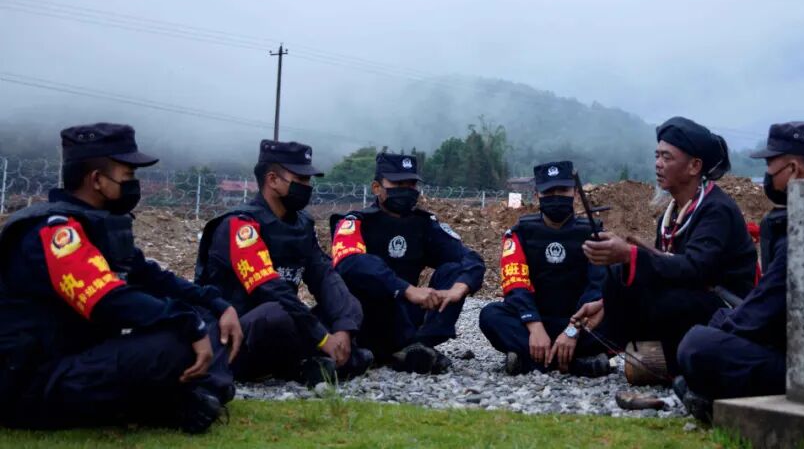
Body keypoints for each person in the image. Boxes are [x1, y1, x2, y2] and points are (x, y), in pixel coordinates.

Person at [0, 123, 236, 434]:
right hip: (34, 379)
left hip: (81, 357)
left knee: (206, 318)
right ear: (97, 179)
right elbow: (108, 299)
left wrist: (218, 305)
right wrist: (187, 323)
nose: (134, 184)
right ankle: (178, 400)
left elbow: (152, 277)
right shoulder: (54, 231)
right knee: (176, 340)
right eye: (128, 175)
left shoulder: (99, 226)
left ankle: (201, 393)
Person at [675, 121, 804, 423]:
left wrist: (723, 330)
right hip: (792, 343)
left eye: (771, 166)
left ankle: (710, 394)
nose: (767, 175)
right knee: (716, 322)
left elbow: (766, 306)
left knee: (697, 345)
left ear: (793, 170)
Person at [573, 116, 758, 372]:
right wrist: (608, 302)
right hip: (687, 297)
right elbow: (663, 270)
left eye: (667, 157)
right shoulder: (669, 217)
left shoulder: (716, 210)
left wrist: (630, 255)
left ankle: (667, 363)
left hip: (725, 309)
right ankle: (616, 352)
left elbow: (695, 270)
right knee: (617, 277)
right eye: (657, 156)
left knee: (667, 302)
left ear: (694, 166)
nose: (658, 164)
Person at [195, 139, 370, 387]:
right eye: (301, 179)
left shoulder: (302, 224)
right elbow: (269, 288)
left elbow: (324, 275)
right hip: (238, 332)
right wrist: (322, 337)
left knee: (347, 302)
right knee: (275, 313)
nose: (307, 186)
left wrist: (342, 327)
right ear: (273, 180)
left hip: (288, 320)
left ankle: (321, 359)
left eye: (308, 180)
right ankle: (312, 361)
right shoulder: (239, 225)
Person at [330, 153, 485, 374]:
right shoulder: (355, 223)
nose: (406, 189)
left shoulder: (424, 224)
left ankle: (420, 345)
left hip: (408, 316)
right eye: (398, 184)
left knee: (454, 269)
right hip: (367, 316)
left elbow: (469, 258)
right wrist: (405, 289)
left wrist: (461, 287)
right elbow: (350, 263)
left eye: (411, 184)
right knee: (370, 272)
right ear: (376, 188)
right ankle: (399, 350)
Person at [478, 161, 611, 377]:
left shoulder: (595, 234)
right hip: (534, 322)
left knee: (620, 315)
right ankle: (576, 364)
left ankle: (531, 361)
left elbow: (597, 287)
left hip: (581, 324)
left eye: (563, 190)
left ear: (575, 194)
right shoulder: (520, 233)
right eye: (548, 192)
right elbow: (516, 285)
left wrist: (572, 330)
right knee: (490, 315)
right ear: (537, 195)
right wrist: (534, 325)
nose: (556, 196)